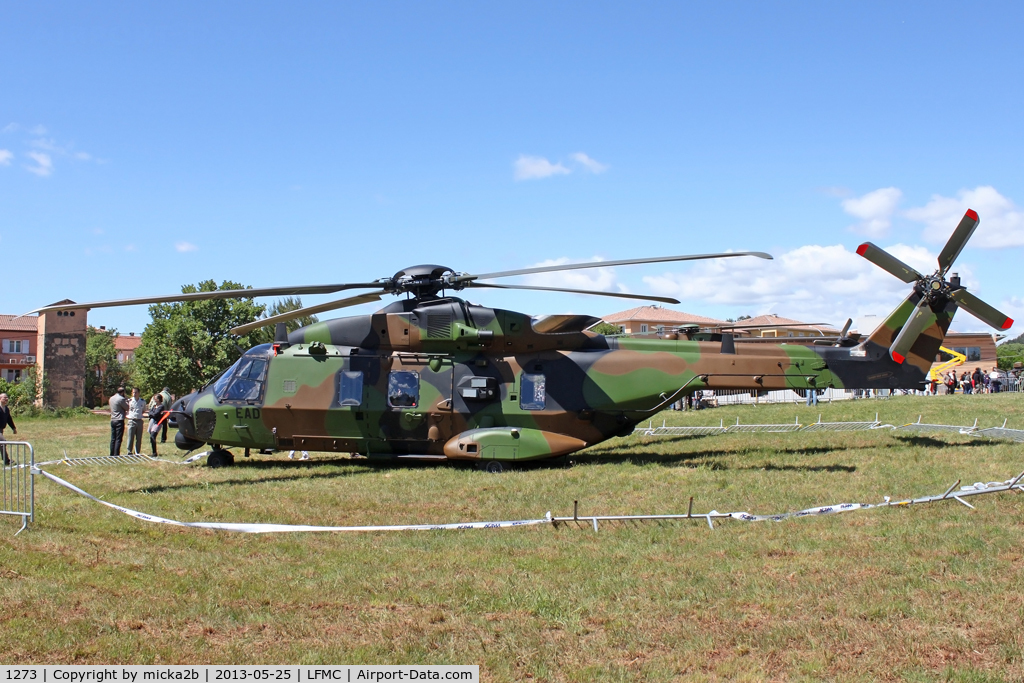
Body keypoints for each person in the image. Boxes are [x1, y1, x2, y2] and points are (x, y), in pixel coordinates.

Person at [125, 388, 146, 455]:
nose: (134, 394)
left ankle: (137, 451)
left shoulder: (142, 401)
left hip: (139, 420)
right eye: (133, 392)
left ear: (138, 393)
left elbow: (143, 410)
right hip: (131, 420)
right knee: (130, 437)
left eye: (136, 392)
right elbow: (126, 409)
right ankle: (129, 451)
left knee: (139, 438)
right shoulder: (129, 401)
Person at [109, 387, 129, 456]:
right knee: (118, 438)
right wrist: (126, 401)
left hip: (113, 419)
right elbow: (127, 408)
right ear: (123, 392)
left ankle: (111, 453)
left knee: (113, 438)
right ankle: (116, 454)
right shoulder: (121, 399)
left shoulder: (111, 398)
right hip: (119, 420)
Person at [0, 393, 17, 466]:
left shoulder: (6, 409)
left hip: (1, 429)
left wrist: (13, 428)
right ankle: (7, 460)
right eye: (4, 398)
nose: (6, 399)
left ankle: (6, 460)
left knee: (1, 444)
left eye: (7, 398)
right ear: (0, 399)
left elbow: (9, 419)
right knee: (3, 442)